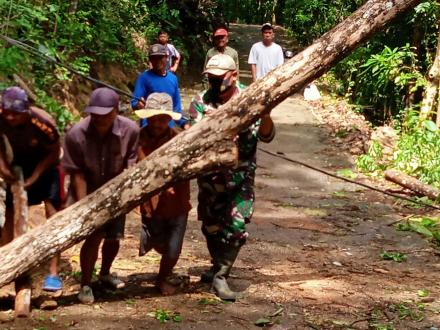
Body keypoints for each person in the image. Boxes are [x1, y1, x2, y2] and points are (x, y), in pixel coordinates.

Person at [189, 54, 275, 300]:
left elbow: (267, 135)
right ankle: (217, 263)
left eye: (219, 78)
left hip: (240, 177)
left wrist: (265, 113)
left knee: (236, 228)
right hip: (210, 178)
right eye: (211, 78)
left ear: (234, 76)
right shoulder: (201, 101)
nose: (214, 83)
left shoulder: (251, 99)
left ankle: (221, 276)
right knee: (211, 225)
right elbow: (192, 137)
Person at [62, 87, 139, 304]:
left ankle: (105, 273)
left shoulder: (130, 130)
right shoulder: (76, 134)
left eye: (105, 114)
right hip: (87, 189)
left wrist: (125, 196)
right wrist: (86, 205)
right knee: (93, 237)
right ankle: (86, 283)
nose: (99, 119)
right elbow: (76, 173)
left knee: (114, 237)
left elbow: (130, 166)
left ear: (116, 111)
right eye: (95, 114)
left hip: (116, 191)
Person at [0, 86, 63, 316]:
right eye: (7, 112)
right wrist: (4, 168)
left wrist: (36, 175)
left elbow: (55, 153)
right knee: (9, 215)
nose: (10, 117)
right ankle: (7, 264)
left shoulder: (43, 123)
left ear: (26, 111)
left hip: (46, 168)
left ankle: (53, 273)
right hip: (17, 165)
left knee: (53, 215)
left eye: (15, 113)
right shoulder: (0, 116)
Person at [135, 93, 191, 295]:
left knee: (174, 247)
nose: (158, 123)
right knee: (155, 240)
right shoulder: (137, 139)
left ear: (169, 119)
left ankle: (162, 277)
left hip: (177, 203)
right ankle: (162, 267)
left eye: (162, 118)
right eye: (154, 118)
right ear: (147, 117)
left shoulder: (179, 140)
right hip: (151, 205)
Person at [131, 44, 187, 129]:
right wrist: (138, 105)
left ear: (167, 57)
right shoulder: (143, 78)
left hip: (168, 128)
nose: (157, 61)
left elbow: (176, 107)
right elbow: (134, 102)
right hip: (148, 127)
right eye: (153, 58)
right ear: (150, 60)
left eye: (160, 58)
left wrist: (184, 124)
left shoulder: (173, 79)